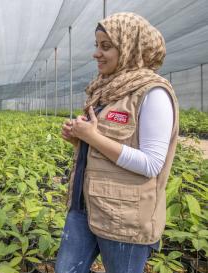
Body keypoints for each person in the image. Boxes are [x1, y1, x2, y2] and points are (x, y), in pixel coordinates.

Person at [56, 12, 179, 273]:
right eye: (96, 45)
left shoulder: (153, 94)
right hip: (84, 206)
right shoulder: (107, 90)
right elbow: (104, 151)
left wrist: (93, 137)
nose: (96, 54)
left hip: (124, 218)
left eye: (106, 46)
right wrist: (79, 141)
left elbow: (151, 164)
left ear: (130, 48)